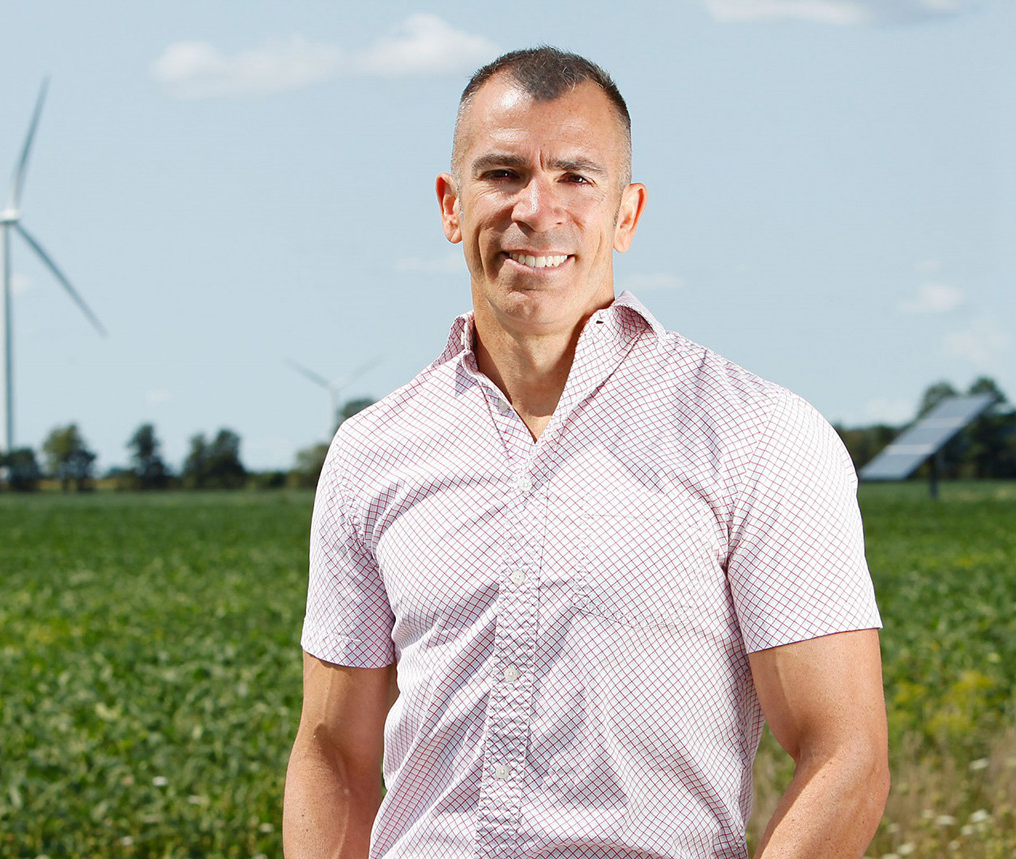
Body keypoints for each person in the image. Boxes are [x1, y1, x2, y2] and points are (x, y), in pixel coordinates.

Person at [283, 47, 888, 859]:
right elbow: (333, 753)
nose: (537, 209)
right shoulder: (371, 452)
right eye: (501, 174)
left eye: (576, 176)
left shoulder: (758, 434)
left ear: (628, 213)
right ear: (450, 205)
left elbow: (845, 753)